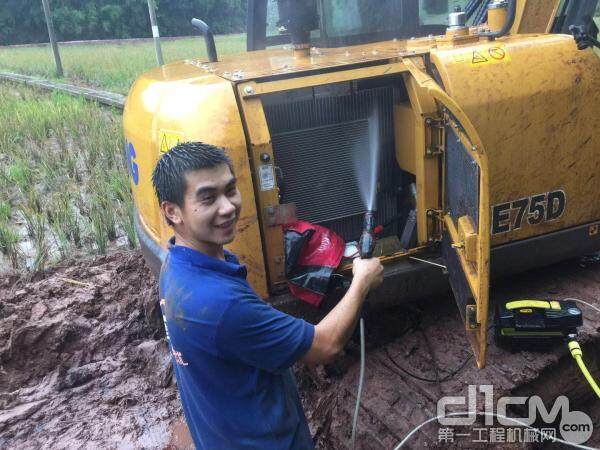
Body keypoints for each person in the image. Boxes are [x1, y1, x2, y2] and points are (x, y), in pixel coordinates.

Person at [151, 141, 383, 449]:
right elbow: (325, 347)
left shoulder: (177, 265)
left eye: (230, 190)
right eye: (207, 198)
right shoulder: (220, 304)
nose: (228, 207)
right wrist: (362, 282)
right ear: (172, 211)